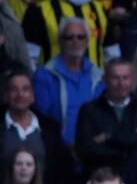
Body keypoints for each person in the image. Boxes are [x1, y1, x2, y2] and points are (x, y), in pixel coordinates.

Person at [31, 17, 105, 147]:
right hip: (58, 151)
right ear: (60, 42)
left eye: (80, 37)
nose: (75, 41)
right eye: (69, 37)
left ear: (88, 42)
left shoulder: (98, 76)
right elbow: (43, 120)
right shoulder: (44, 76)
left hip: (93, 151)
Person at [76, 59, 137, 172]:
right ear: (104, 79)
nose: (121, 83)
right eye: (115, 78)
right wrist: (130, 141)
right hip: (102, 178)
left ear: (132, 80)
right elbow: (85, 150)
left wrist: (108, 137)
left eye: (125, 77)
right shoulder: (89, 110)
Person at [1, 66, 71, 184]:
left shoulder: (50, 128)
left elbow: (62, 171)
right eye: (14, 89)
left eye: (25, 89)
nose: (20, 94)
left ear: (33, 96)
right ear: (5, 96)